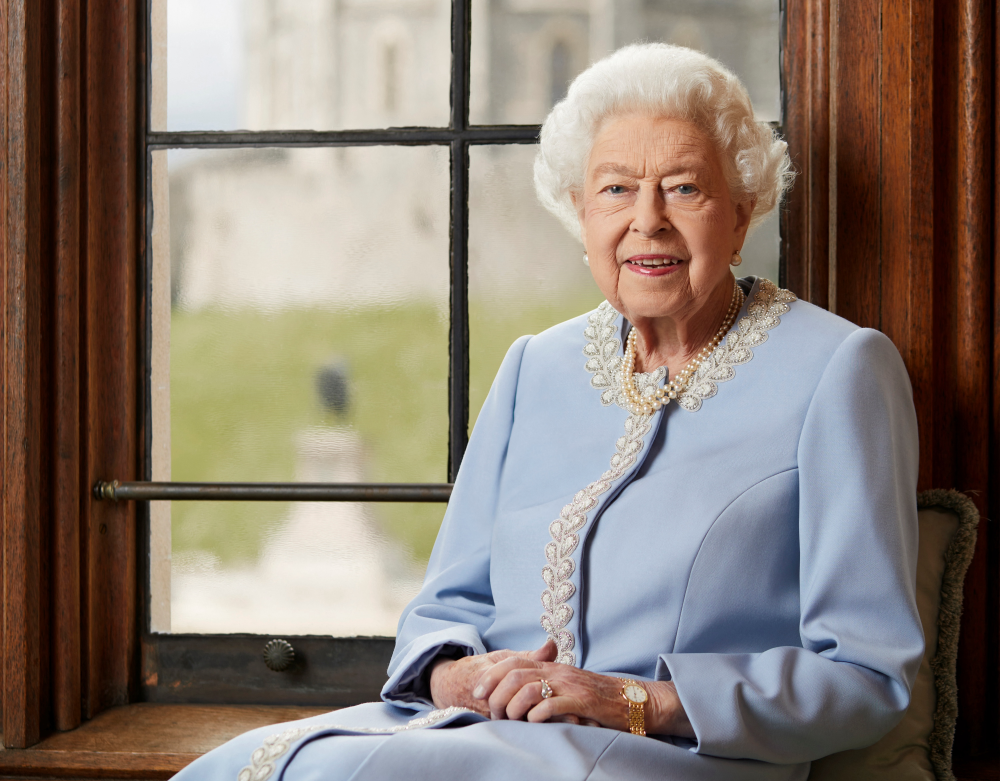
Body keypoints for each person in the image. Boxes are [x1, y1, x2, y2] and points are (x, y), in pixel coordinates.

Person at [176, 43, 924, 781]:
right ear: (580, 214)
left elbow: (866, 672)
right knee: (239, 766)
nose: (648, 220)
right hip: (472, 738)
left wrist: (634, 701)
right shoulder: (536, 365)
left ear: (742, 212)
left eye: (684, 188)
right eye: (615, 190)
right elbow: (444, 607)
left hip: (672, 758)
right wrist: (454, 679)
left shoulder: (837, 369)